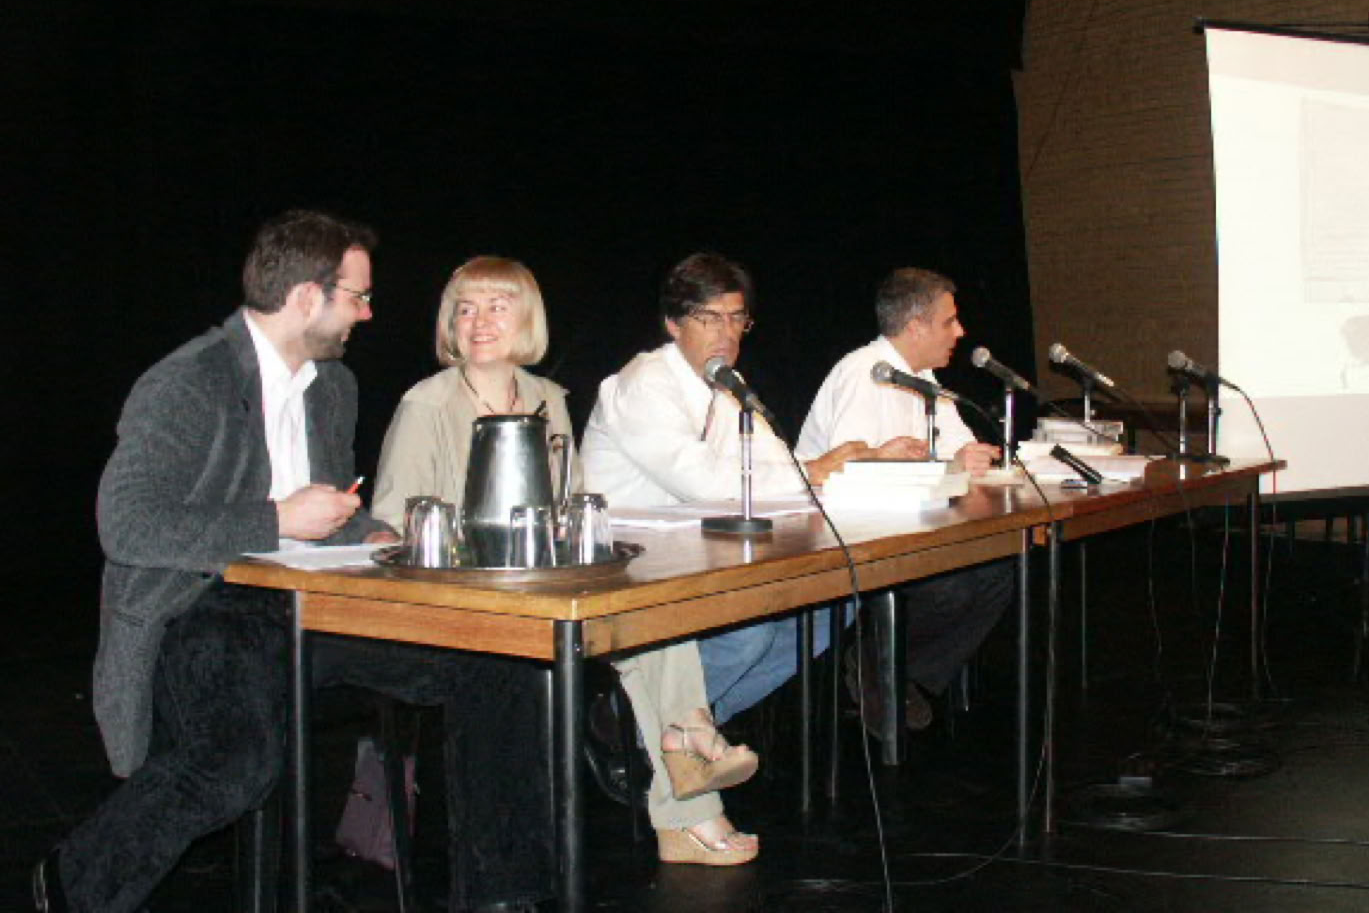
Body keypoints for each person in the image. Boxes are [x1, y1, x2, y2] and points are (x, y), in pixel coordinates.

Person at [34, 212, 550, 913]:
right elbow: (127, 525)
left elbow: (331, 508)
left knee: (498, 659)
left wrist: (371, 536)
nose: (367, 315)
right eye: (358, 297)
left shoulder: (332, 387)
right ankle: (73, 884)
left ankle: (502, 898)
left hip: (314, 603)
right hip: (202, 604)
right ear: (309, 296)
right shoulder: (189, 381)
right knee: (235, 760)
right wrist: (275, 519)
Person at [373, 256, 760, 868]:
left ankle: (689, 761)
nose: (479, 321)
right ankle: (690, 804)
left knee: (657, 616)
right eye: (466, 308)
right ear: (449, 322)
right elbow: (391, 524)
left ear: (527, 318)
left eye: (498, 306)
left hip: (547, 586)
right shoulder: (426, 404)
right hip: (469, 601)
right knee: (644, 641)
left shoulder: (547, 398)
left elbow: (567, 500)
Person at [582, 252, 867, 729]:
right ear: (674, 323)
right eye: (709, 318)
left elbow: (780, 463)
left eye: (736, 319)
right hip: (626, 561)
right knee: (746, 635)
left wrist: (848, 468)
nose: (726, 333)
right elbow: (704, 485)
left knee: (830, 608)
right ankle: (622, 725)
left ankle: (690, 727)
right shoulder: (644, 383)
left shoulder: (725, 387)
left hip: (699, 552)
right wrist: (815, 471)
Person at [796, 267, 1013, 732]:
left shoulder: (925, 378)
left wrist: (965, 459)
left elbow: (958, 452)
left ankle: (894, 672)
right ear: (915, 327)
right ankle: (881, 666)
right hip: (842, 538)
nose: (960, 331)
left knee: (997, 572)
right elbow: (848, 474)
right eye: (949, 321)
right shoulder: (862, 373)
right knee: (951, 585)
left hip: (911, 529)